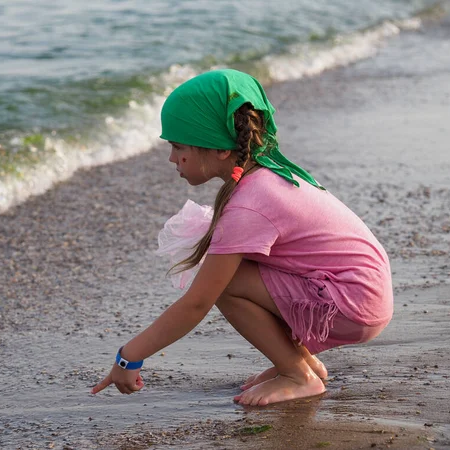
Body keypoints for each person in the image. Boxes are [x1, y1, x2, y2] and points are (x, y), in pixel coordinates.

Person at [91, 69, 393, 405]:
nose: (172, 158)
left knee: (226, 281)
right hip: (361, 292)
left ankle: (298, 375)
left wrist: (128, 357)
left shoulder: (249, 207)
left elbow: (197, 303)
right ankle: (300, 363)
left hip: (354, 304)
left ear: (218, 149)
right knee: (235, 265)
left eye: (177, 146)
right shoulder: (269, 173)